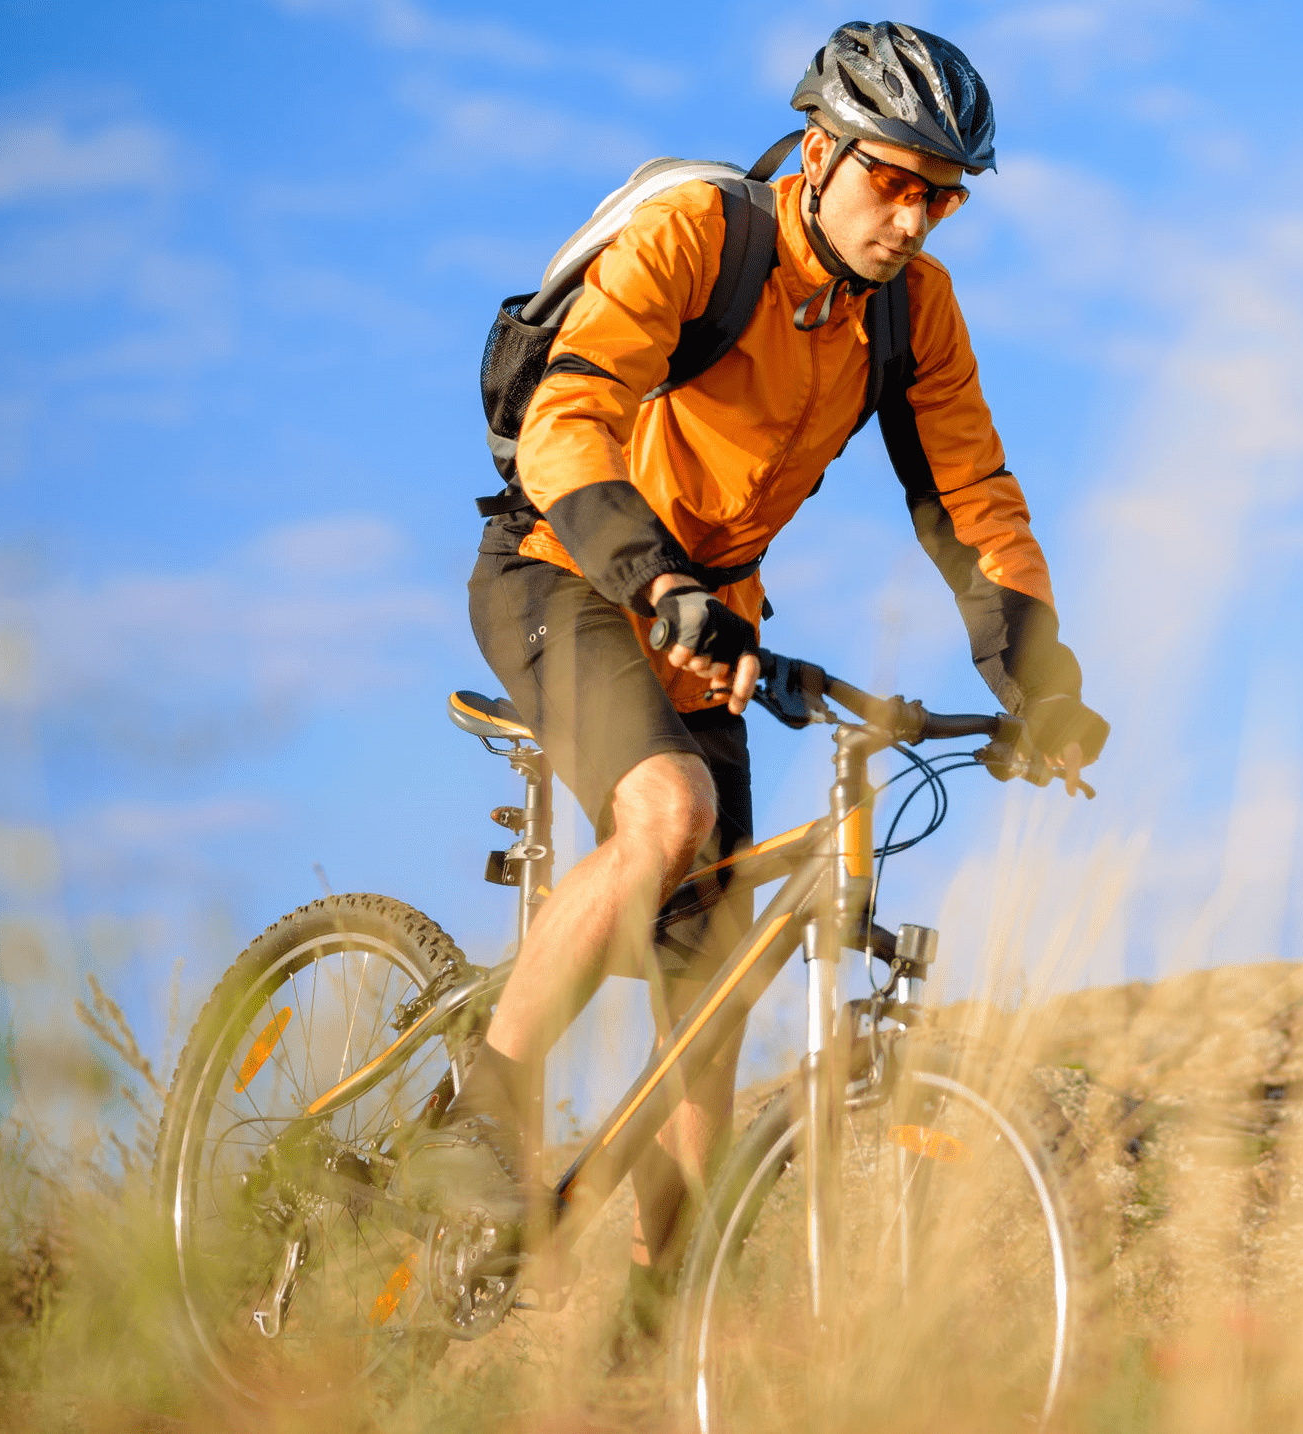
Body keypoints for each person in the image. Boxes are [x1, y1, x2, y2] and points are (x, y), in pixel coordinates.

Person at [404, 20, 1108, 1357]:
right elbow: (566, 419)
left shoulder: (911, 313)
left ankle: (648, 1327)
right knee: (661, 809)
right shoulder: (699, 237)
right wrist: (649, 575)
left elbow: (971, 497)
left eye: (939, 195)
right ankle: (478, 1119)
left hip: (708, 620)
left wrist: (1037, 680)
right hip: (565, 562)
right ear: (824, 151)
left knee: (708, 1000)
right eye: (891, 179)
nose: (911, 218)